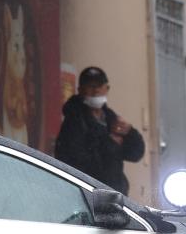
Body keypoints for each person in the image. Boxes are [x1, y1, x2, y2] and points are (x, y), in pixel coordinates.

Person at [54, 66, 144, 194]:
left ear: (107, 89)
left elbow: (135, 154)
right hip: (88, 195)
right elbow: (73, 161)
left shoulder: (111, 118)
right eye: (90, 86)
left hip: (115, 195)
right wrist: (109, 144)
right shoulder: (74, 121)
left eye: (99, 86)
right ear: (80, 90)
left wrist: (130, 133)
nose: (95, 91)